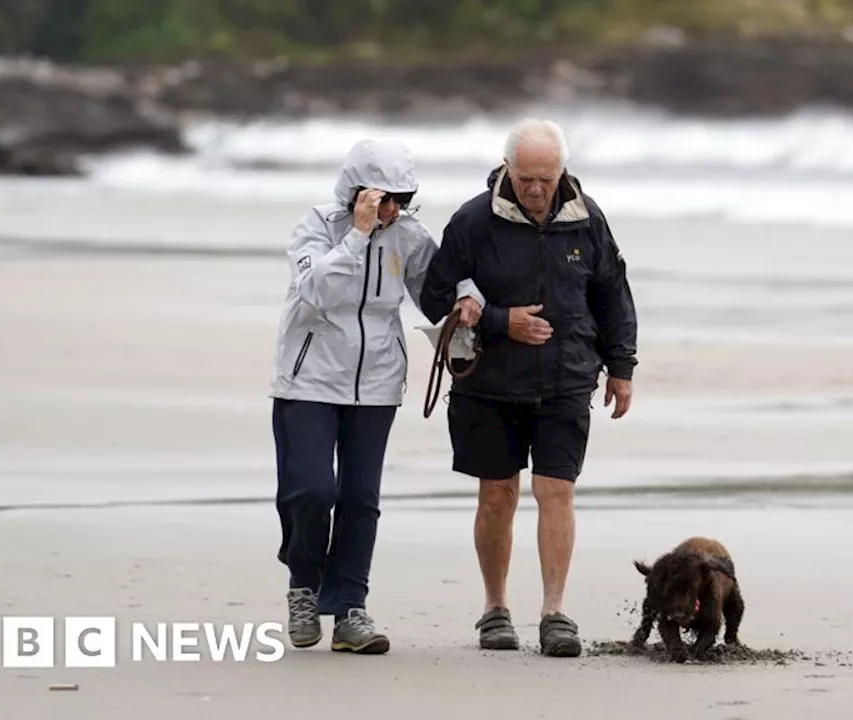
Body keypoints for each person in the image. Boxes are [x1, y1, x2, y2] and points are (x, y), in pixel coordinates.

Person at [418, 118, 638, 657]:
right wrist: (497, 320)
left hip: (566, 378)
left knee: (556, 491)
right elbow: (434, 295)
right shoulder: (473, 221)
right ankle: (496, 609)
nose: (536, 190)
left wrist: (622, 365)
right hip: (488, 384)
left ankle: (555, 612)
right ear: (507, 168)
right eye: (525, 179)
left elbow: (613, 292)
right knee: (498, 495)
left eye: (546, 177)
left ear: (561, 170)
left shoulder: (587, 219)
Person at [270, 138, 483, 654]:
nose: (391, 210)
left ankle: (349, 611)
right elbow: (316, 290)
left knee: (361, 499)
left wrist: (467, 296)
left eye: (401, 200)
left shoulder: (408, 234)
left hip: (379, 384)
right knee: (312, 491)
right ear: (355, 191)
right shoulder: (316, 226)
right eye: (382, 199)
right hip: (308, 381)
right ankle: (303, 585)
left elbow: (437, 288)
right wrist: (359, 236)